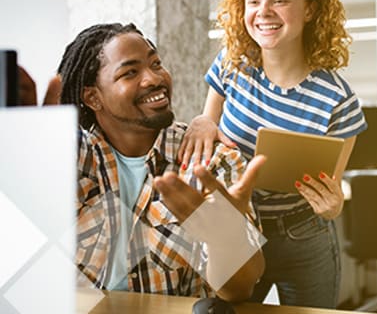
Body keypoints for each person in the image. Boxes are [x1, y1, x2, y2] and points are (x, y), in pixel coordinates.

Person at [178, 0, 367, 308]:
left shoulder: (338, 100)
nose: (263, 12)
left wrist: (331, 206)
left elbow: (333, 192)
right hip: (238, 229)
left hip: (304, 234)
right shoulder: (231, 64)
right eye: (253, 1)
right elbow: (208, 123)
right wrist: (202, 122)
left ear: (310, 9)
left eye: (280, 0)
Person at [58, 23, 266, 301]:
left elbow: (240, 290)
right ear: (93, 97)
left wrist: (227, 241)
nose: (154, 78)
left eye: (156, 64)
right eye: (130, 72)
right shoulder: (66, 160)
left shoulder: (214, 163)